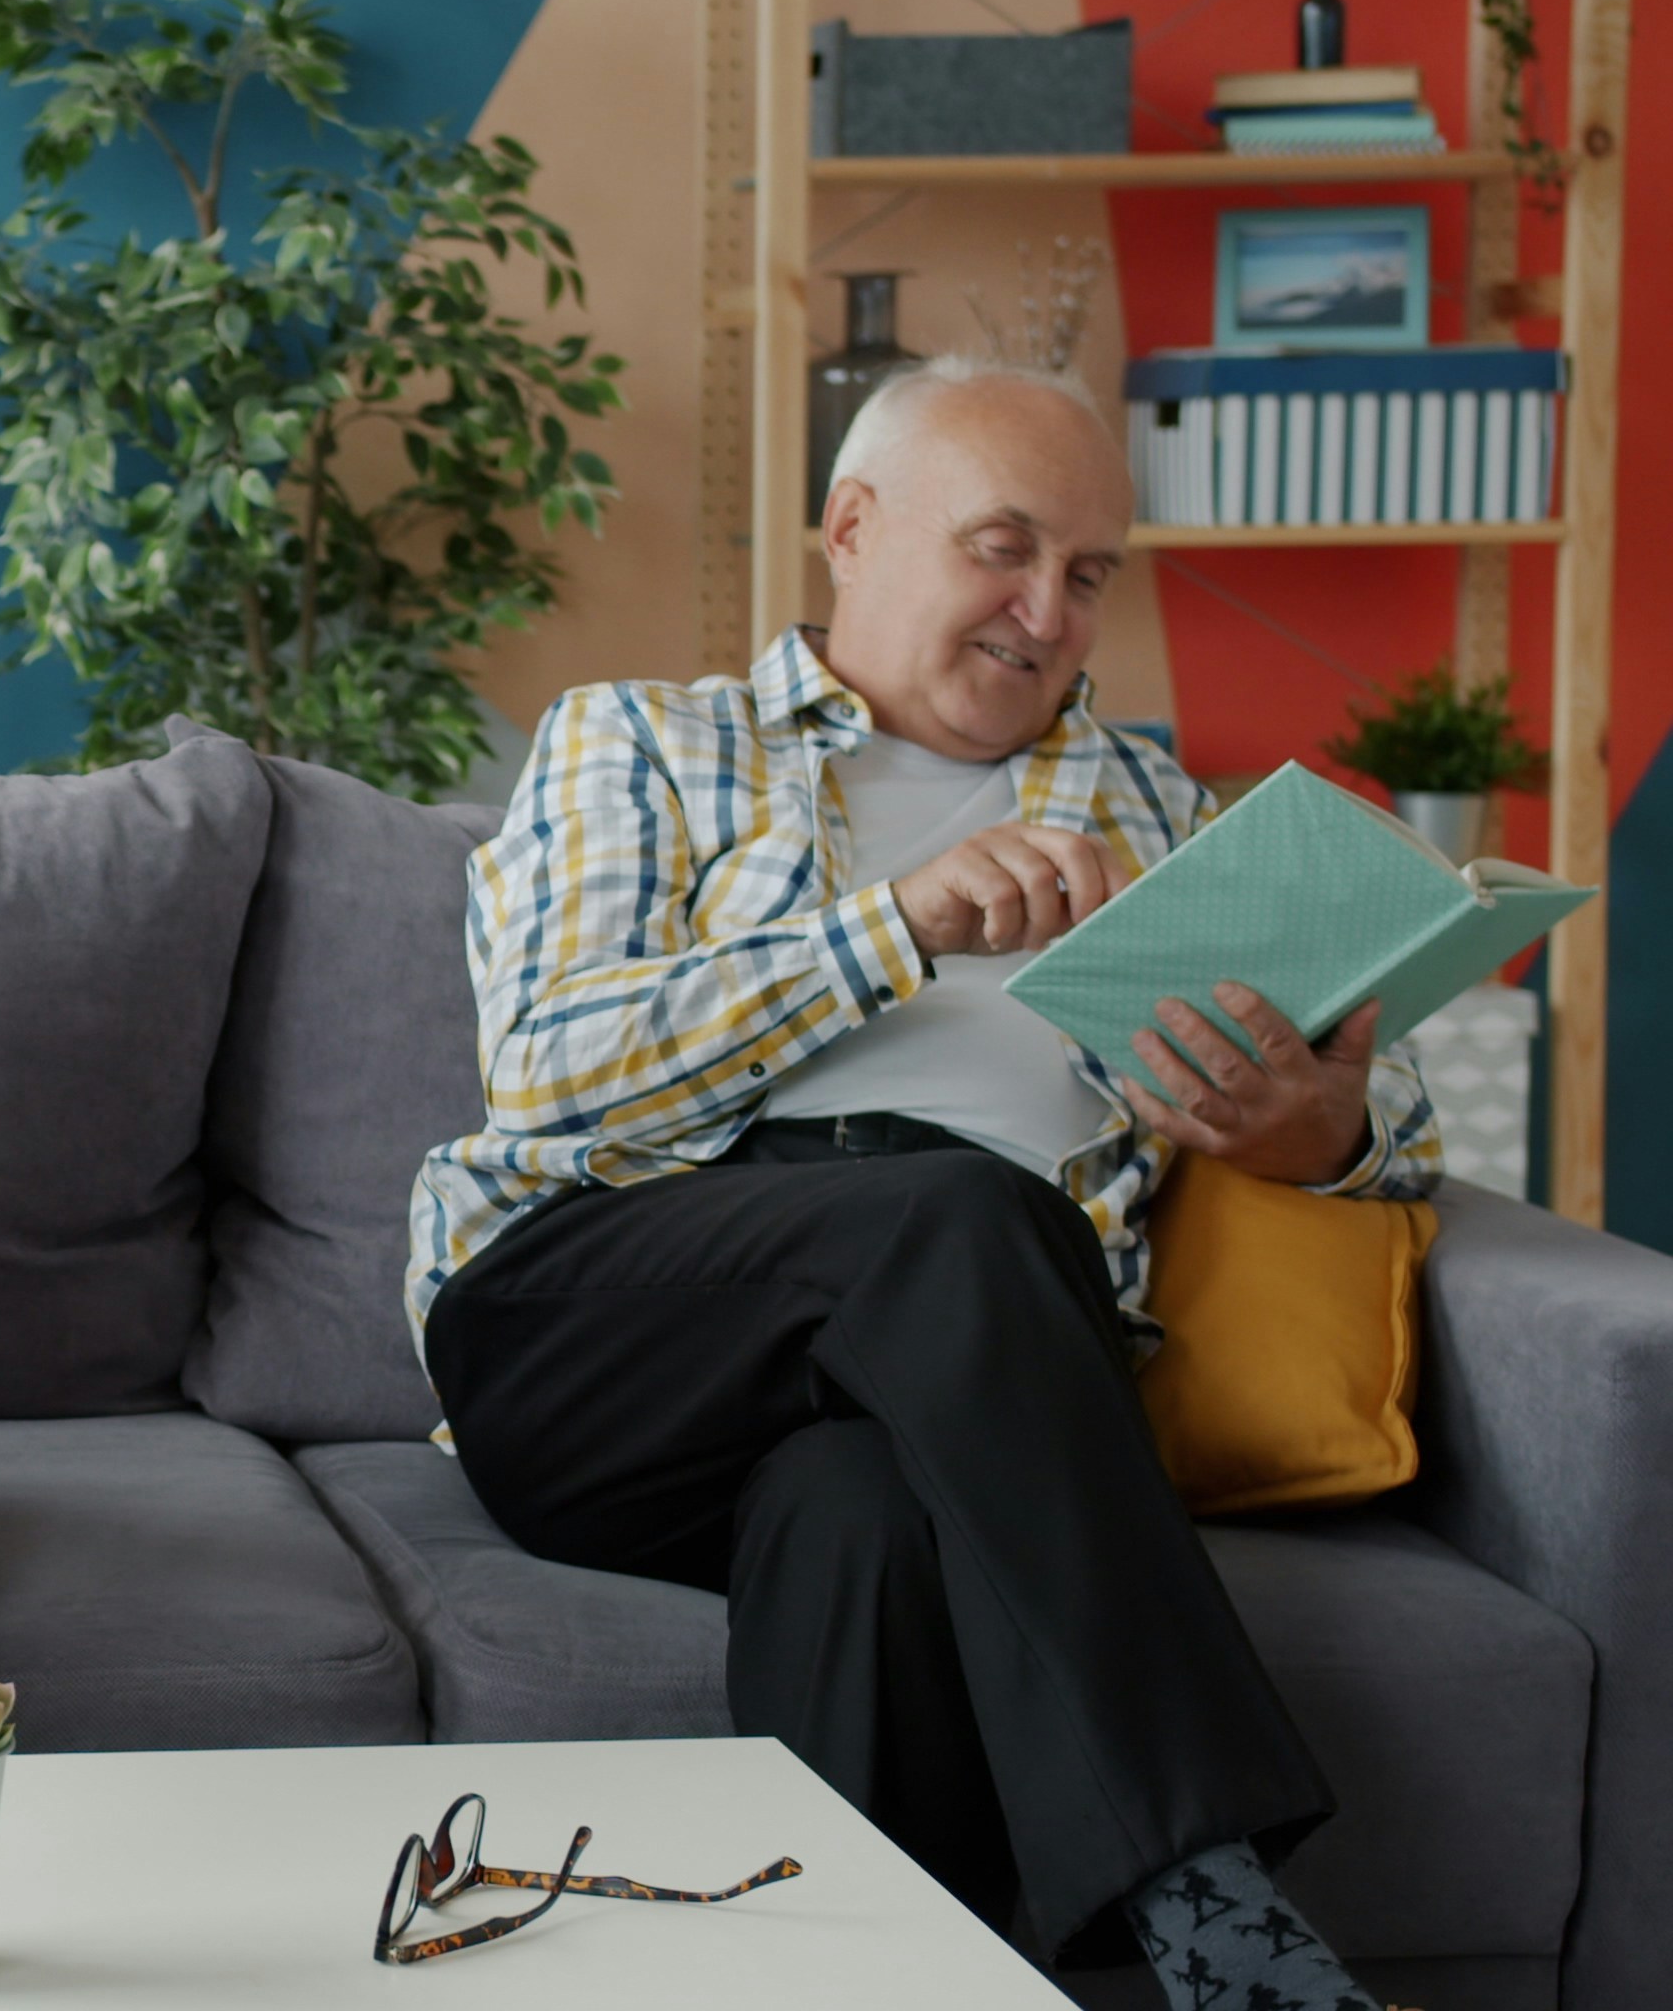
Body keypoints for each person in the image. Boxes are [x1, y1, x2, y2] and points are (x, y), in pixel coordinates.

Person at [407, 354, 1436, 2011]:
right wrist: (897, 930)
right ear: (854, 529)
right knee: (956, 1213)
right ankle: (1209, 1890)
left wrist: (1308, 1128)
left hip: (952, 1389)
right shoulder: (648, 745)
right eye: (1004, 547)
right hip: (607, 1330)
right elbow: (550, 1063)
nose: (1049, 609)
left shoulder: (1155, 808)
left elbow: (1390, 1110)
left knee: (863, 1523)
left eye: (1090, 572)